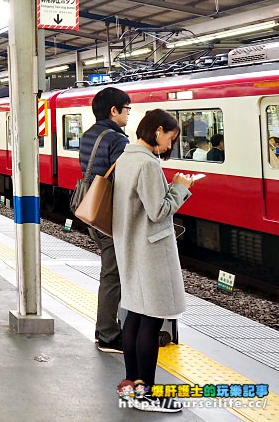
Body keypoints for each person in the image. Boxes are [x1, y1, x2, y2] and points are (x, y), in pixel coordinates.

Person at [112, 108, 196, 412]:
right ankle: (144, 394)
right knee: (151, 320)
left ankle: (132, 387)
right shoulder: (147, 165)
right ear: (157, 131)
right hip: (149, 251)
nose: (169, 146)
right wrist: (180, 189)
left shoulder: (126, 157)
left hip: (131, 246)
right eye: (170, 138)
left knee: (134, 315)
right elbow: (158, 211)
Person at [78, 86, 131, 354]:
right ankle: (108, 335)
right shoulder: (118, 140)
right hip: (110, 214)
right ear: (114, 110)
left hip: (91, 209)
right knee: (113, 275)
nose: (129, 114)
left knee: (111, 272)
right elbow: (124, 179)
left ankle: (110, 328)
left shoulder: (88, 135)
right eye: (127, 109)